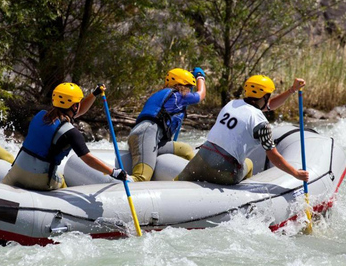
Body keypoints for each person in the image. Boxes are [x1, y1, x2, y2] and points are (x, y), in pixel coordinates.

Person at [176, 75, 309, 185]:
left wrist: (292, 90)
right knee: (249, 163)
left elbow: (268, 106)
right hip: (225, 172)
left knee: (178, 182)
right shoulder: (262, 123)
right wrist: (296, 173)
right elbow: (274, 157)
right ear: (265, 96)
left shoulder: (232, 104)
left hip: (199, 161)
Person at [2, 82, 128, 190]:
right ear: (74, 106)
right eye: (78, 102)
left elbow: (78, 111)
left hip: (16, 172)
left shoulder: (40, 115)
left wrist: (94, 95)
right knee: (62, 181)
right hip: (40, 179)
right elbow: (88, 159)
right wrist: (113, 172)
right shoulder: (71, 132)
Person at [127, 67, 207, 182]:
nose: (190, 90)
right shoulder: (178, 95)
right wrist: (200, 77)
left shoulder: (164, 94)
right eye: (189, 87)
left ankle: (202, 173)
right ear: (181, 85)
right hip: (147, 134)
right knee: (142, 178)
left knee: (185, 149)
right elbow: (201, 94)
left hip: (149, 136)